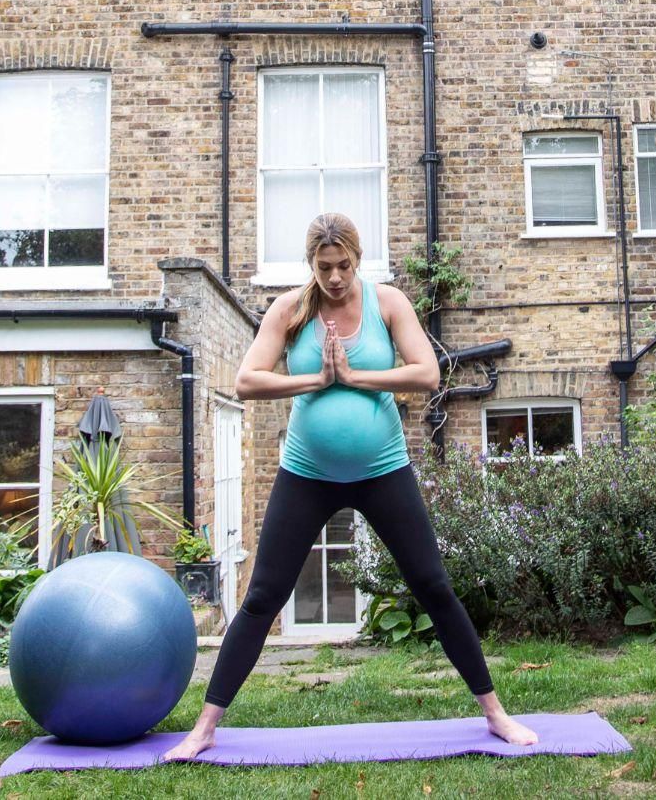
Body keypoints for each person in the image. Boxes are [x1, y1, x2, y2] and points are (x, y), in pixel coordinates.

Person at [162, 212, 538, 761]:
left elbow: (427, 373)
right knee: (264, 595)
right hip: (306, 473)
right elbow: (247, 380)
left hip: (382, 469)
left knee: (433, 585)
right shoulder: (291, 309)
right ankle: (205, 728)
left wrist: (356, 377)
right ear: (311, 264)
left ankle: (496, 714)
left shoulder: (387, 304)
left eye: (343, 266)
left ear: (358, 260)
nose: (335, 277)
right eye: (324, 267)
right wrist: (315, 379)